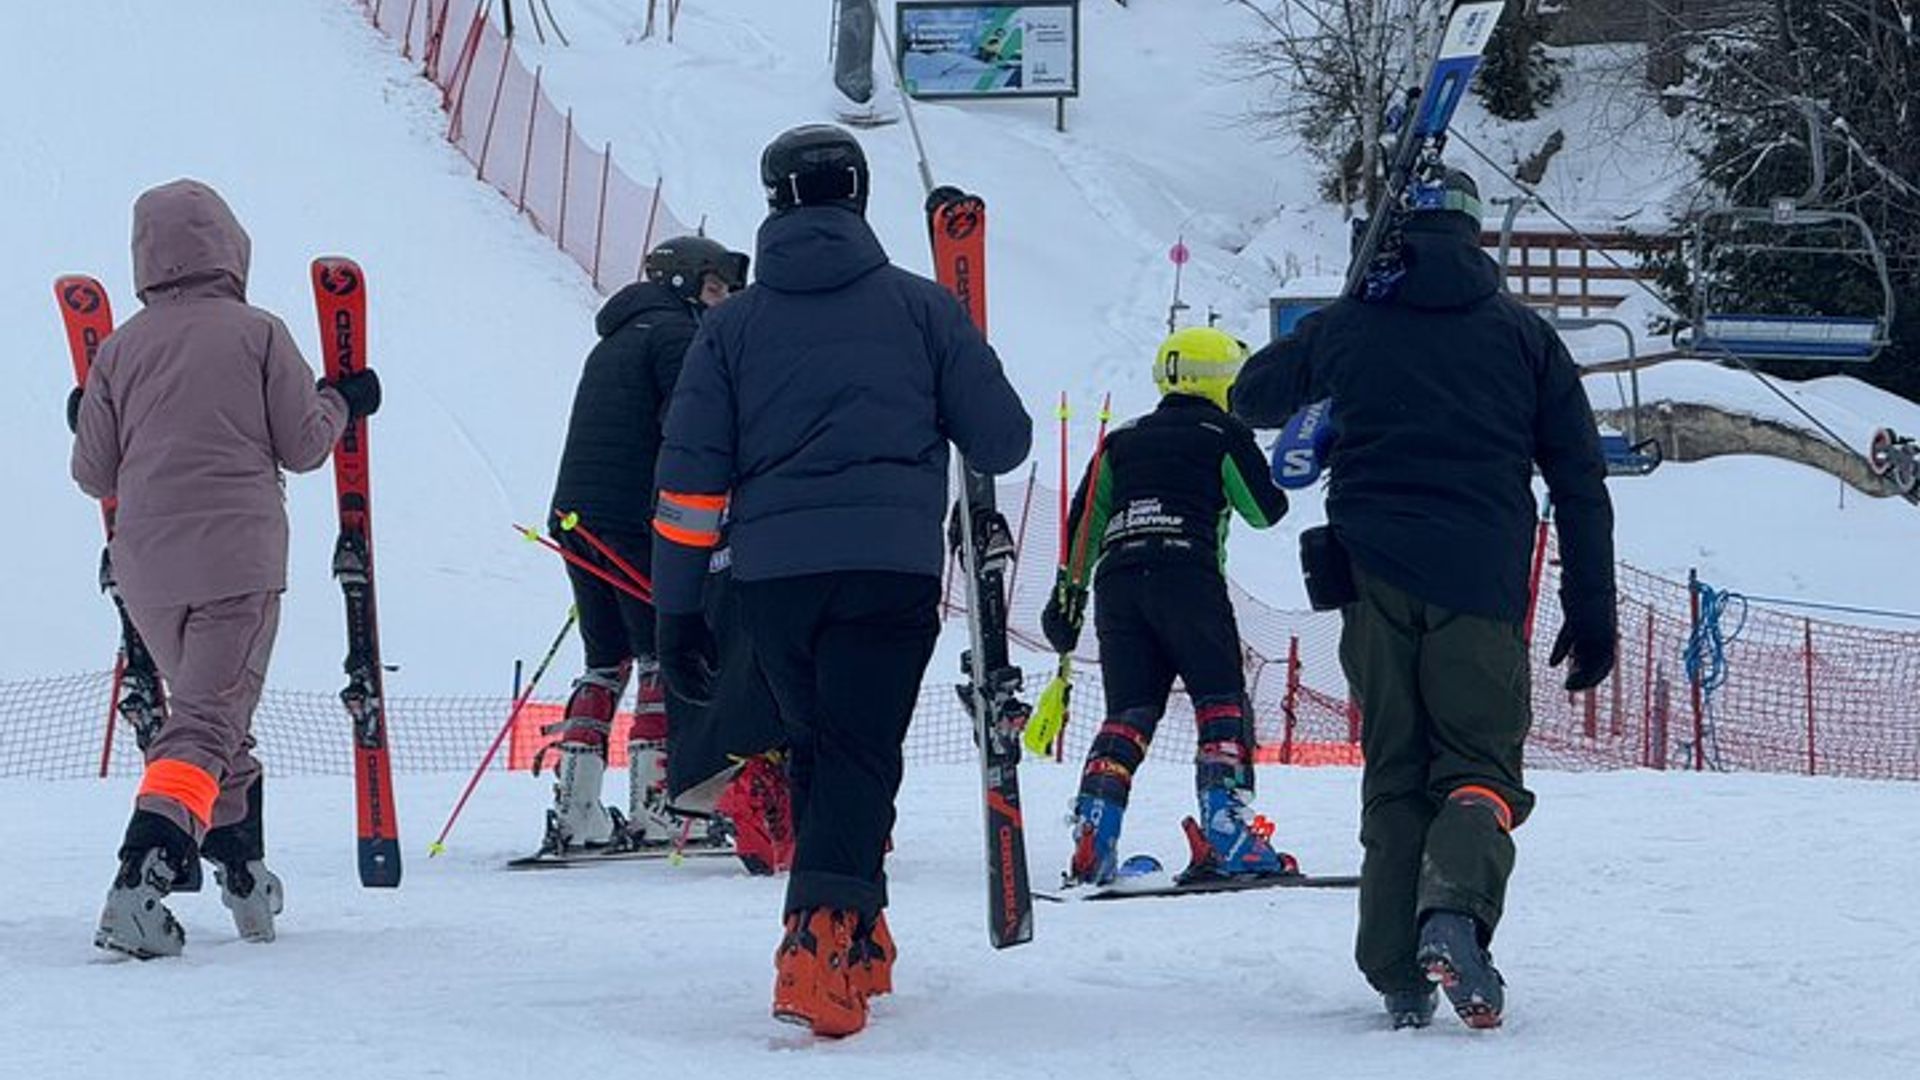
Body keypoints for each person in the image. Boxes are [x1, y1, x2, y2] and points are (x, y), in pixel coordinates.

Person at [651, 124, 1031, 1037]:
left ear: (773, 200)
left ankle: (857, 932)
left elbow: (690, 478)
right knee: (858, 750)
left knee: (823, 745)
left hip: (774, 579)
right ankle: (817, 944)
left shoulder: (729, 328)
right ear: (858, 196)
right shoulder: (922, 309)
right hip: (890, 569)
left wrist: (677, 612)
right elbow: (1004, 441)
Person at [1229, 167, 1617, 1030]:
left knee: (1396, 770)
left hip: (1372, 582)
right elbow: (1580, 481)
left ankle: (1397, 971)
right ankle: (1454, 912)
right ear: (1476, 237)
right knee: (1478, 769)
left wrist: (1339, 319)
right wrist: (1592, 605)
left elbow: (1252, 396)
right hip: (1479, 582)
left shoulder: (1354, 326)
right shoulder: (1525, 337)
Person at [71, 178, 381, 959]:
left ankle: (242, 875)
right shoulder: (259, 333)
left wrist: (87, 411)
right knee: (207, 723)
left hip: (144, 565)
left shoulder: (121, 348)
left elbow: (92, 471)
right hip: (235, 558)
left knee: (212, 722)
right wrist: (345, 400)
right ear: (228, 245)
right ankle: (140, 879)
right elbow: (307, 446)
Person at [1041, 326, 1295, 888]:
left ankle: (1095, 832)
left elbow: (1085, 521)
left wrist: (1068, 596)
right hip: (1188, 575)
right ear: (1224, 381)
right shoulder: (1223, 433)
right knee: (1220, 704)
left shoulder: (1122, 439)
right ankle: (1228, 835)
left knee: (1129, 714)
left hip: (1118, 583)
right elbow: (1265, 510)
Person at [538, 235, 755, 855]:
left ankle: (576, 810)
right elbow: (693, 427)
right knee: (663, 650)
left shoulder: (616, 338)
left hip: (576, 517)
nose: (724, 302)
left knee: (607, 658)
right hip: (633, 520)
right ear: (687, 284)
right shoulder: (676, 336)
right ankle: (659, 807)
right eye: (716, 288)